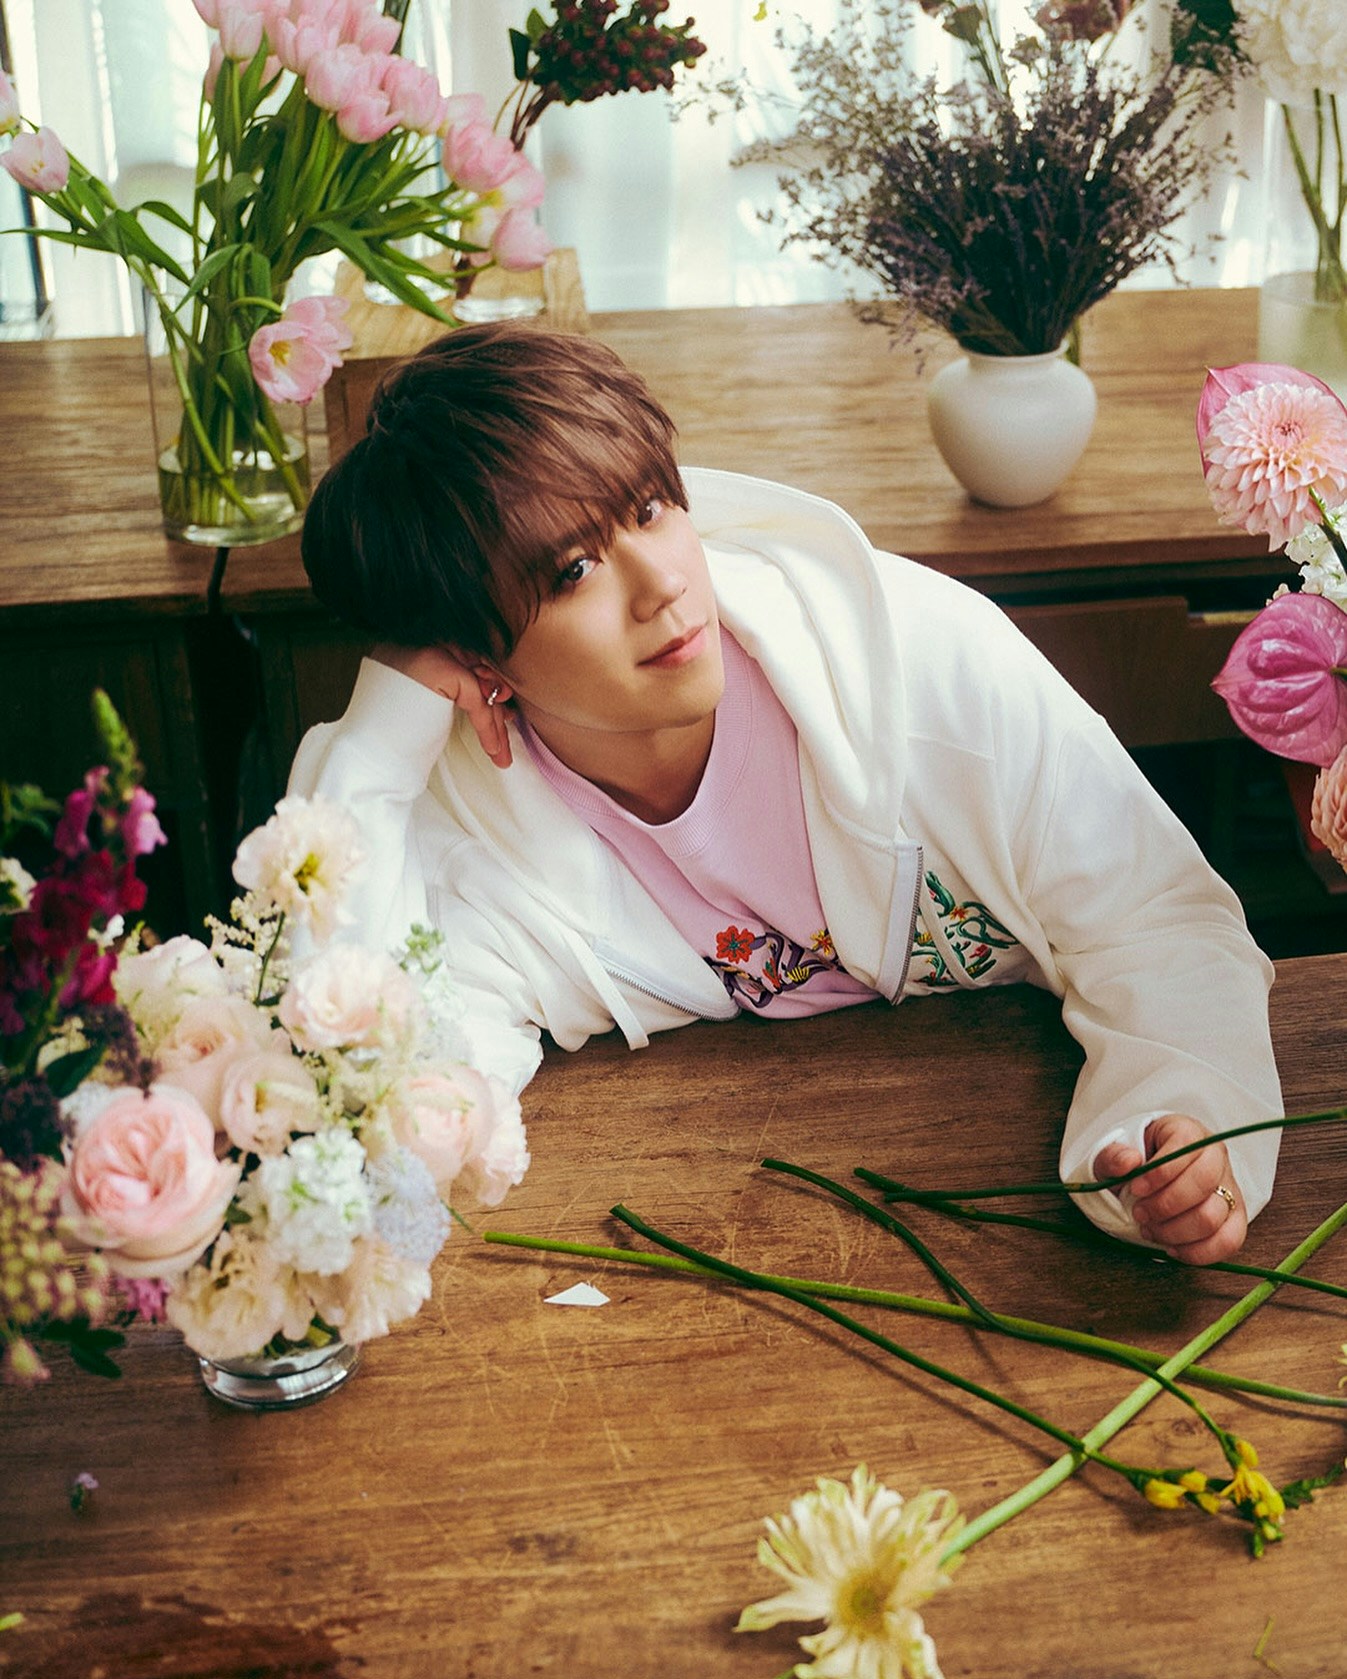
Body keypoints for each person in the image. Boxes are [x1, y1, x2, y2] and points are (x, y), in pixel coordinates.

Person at [290, 322, 1282, 1266]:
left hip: (1003, 1180)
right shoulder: (476, 828)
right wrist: (377, 740)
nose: (663, 583)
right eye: (575, 569)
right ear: (476, 658)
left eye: (651, 506)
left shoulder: (923, 665)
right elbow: (387, 1103)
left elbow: (1154, 920)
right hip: (729, 1216)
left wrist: (1172, 1132)